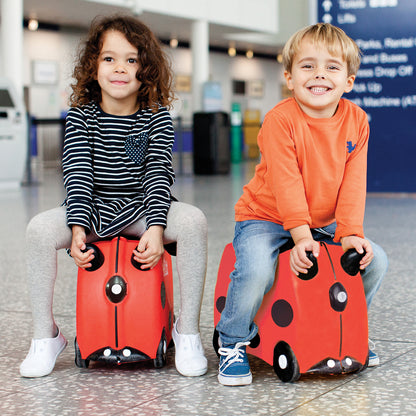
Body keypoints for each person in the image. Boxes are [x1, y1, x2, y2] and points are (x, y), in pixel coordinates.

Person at [20, 15, 208, 378]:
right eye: (109, 58)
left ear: (146, 69)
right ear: (94, 66)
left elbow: (157, 176)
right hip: (92, 209)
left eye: (131, 59)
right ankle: (45, 337)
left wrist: (156, 228)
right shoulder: (80, 117)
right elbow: (78, 176)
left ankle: (186, 332)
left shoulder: (156, 117)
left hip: (141, 207)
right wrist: (76, 228)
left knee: (194, 221)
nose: (120, 68)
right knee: (38, 230)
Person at [215, 23, 388, 386]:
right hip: (266, 217)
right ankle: (232, 339)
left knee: (375, 262)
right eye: (308, 66)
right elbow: (286, 182)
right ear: (289, 78)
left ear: (349, 81)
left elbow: (354, 184)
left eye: (332, 67)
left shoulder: (357, 121)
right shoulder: (281, 120)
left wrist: (351, 234)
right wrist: (299, 235)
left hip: (323, 222)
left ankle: (347, 333)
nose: (319, 75)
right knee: (257, 270)